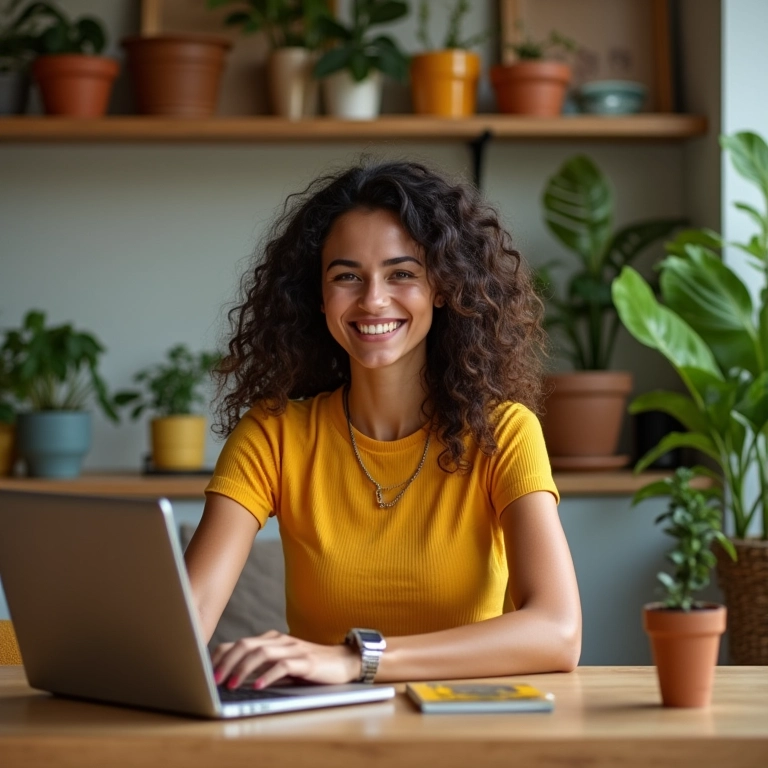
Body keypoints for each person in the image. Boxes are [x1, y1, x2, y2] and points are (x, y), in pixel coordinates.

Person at [184, 159, 581, 691]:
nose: (373, 299)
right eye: (347, 276)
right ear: (319, 297)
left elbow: (558, 632)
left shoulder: (504, 432)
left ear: (442, 287)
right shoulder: (273, 435)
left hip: (465, 731)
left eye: (402, 274)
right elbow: (190, 616)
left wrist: (357, 660)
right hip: (325, 734)